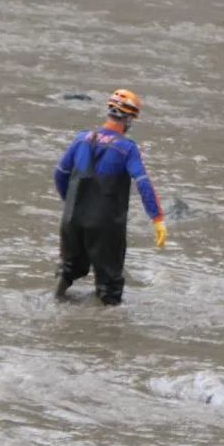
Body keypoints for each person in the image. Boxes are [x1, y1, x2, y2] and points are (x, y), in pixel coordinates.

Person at [53, 89, 166, 304]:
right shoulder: (126, 149)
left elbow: (60, 174)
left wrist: (69, 203)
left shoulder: (81, 139)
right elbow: (143, 184)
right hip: (105, 225)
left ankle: (56, 304)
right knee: (110, 287)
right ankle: (105, 331)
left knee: (68, 269)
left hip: (71, 220)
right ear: (130, 119)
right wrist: (157, 218)